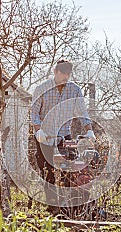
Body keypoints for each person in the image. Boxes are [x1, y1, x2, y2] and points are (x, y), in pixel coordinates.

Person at [31, 59, 95, 211]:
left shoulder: (74, 90)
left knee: (70, 169)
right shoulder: (42, 88)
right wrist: (38, 130)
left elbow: (81, 111)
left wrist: (89, 130)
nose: (65, 77)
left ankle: (70, 205)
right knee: (48, 171)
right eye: (62, 74)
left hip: (64, 135)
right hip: (44, 136)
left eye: (68, 74)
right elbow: (34, 113)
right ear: (55, 72)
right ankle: (52, 206)